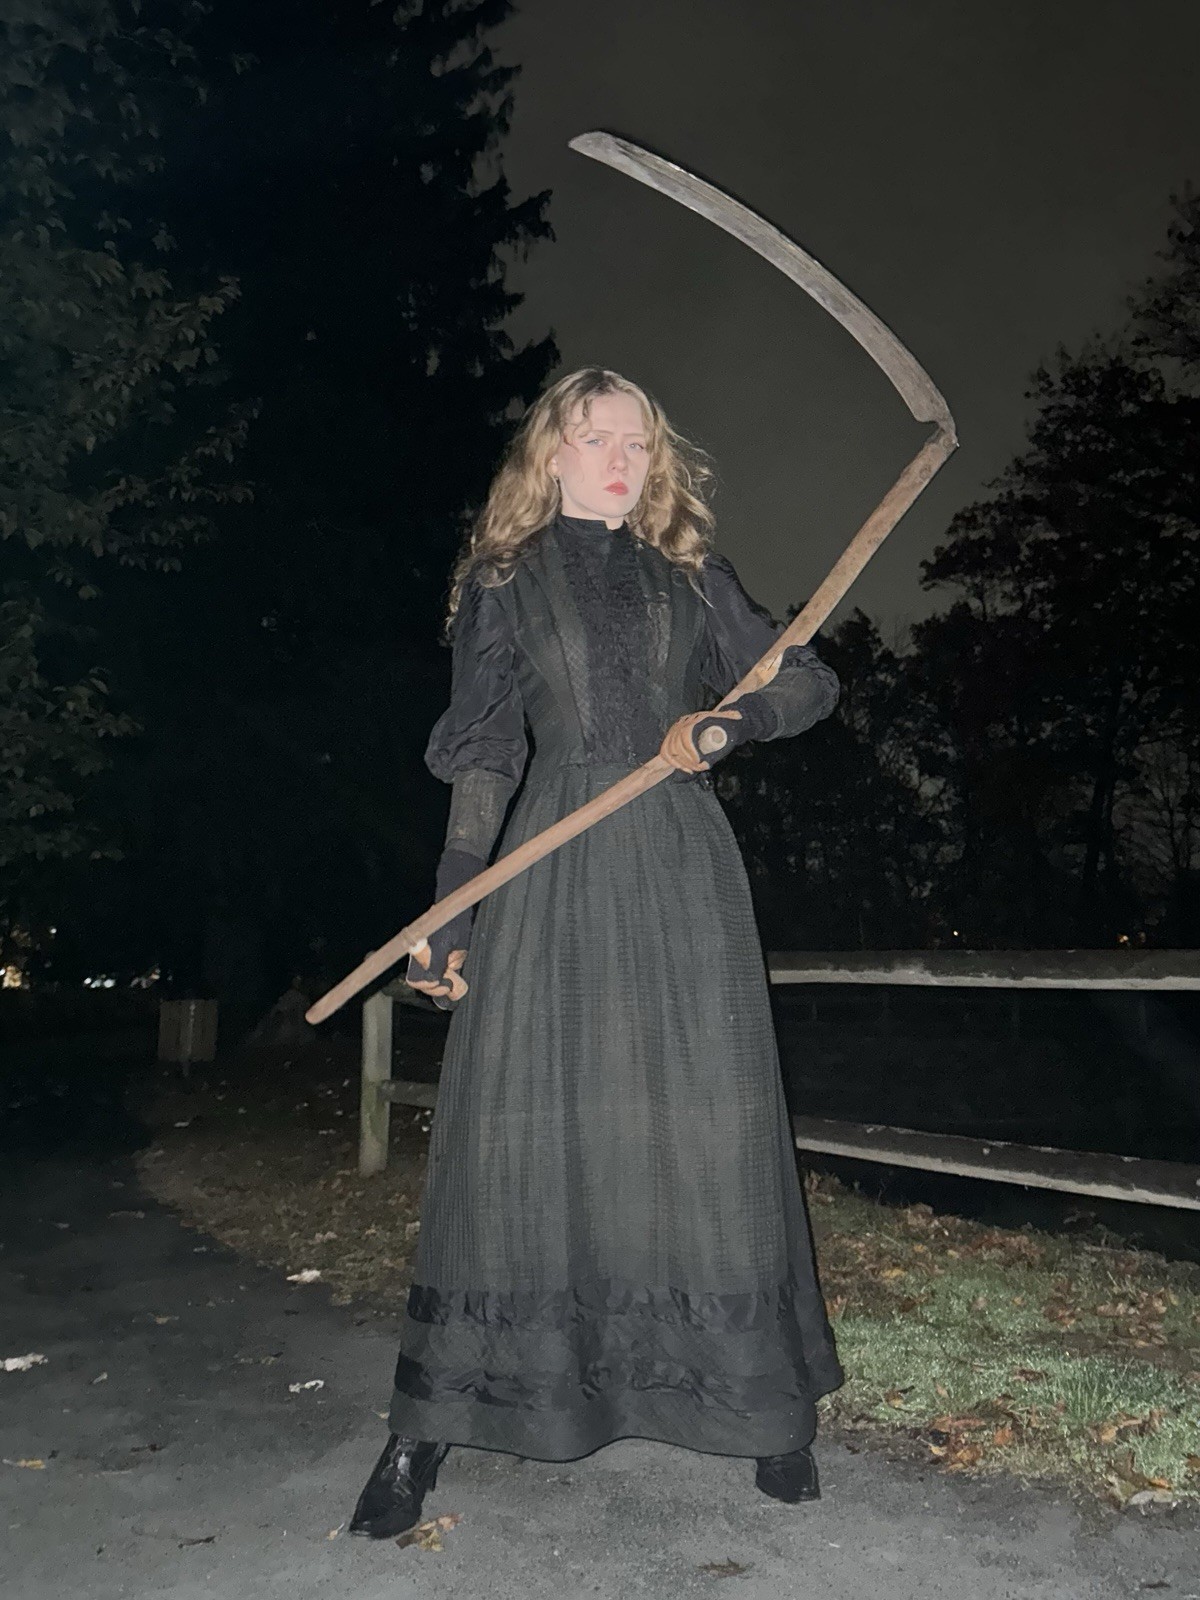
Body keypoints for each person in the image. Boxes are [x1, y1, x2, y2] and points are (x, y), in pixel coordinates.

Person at [350, 367, 843, 1539]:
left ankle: (764, 1409)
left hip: (681, 867)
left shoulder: (692, 571)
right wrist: (450, 911)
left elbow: (809, 680)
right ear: (551, 452)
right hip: (550, 867)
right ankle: (426, 1427)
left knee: (707, 1122)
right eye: (595, 437)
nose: (620, 459)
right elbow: (484, 754)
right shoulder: (504, 578)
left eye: (637, 441)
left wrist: (730, 722)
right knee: (514, 1126)